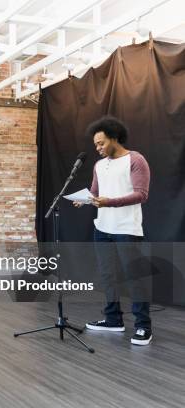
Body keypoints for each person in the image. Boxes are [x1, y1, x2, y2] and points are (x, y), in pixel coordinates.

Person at [74, 116, 152, 346]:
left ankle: (143, 327)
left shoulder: (135, 160)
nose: (97, 148)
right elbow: (96, 192)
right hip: (103, 228)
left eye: (101, 143)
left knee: (134, 278)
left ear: (115, 138)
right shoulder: (100, 165)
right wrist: (85, 200)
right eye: (96, 145)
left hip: (127, 228)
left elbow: (141, 194)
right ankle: (113, 320)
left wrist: (108, 202)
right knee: (108, 276)